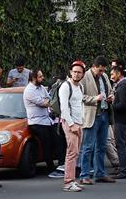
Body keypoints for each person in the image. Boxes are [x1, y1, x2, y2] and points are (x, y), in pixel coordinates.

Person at [79, 56, 115, 185]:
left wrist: (111, 97)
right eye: (100, 70)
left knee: (101, 146)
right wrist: (95, 99)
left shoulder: (104, 77)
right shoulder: (84, 77)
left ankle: (100, 173)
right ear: (94, 66)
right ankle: (84, 175)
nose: (102, 73)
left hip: (104, 114)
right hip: (92, 115)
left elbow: (111, 91)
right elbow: (80, 96)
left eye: (103, 70)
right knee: (88, 146)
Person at [59, 61, 86, 191]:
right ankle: (68, 183)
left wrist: (81, 121)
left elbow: (79, 104)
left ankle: (72, 180)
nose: (76, 74)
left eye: (79, 72)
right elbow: (63, 108)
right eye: (74, 71)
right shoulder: (65, 86)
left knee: (75, 153)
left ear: (82, 74)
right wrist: (71, 124)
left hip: (78, 123)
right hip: (70, 123)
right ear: (70, 72)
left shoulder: (80, 87)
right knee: (72, 153)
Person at [24, 69, 56, 174]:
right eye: (40, 76)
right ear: (33, 78)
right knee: (47, 143)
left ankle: (59, 164)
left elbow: (49, 99)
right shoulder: (29, 90)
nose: (43, 78)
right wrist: (47, 101)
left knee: (56, 140)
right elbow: (45, 103)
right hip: (36, 122)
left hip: (47, 120)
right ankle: (50, 167)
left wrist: (48, 101)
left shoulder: (41, 88)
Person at [111, 65, 126, 179]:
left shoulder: (122, 87)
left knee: (121, 145)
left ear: (118, 74)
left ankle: (124, 170)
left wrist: (113, 103)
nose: (111, 77)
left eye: (112, 74)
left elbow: (122, 104)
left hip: (121, 119)